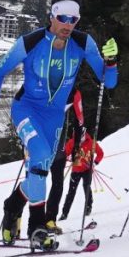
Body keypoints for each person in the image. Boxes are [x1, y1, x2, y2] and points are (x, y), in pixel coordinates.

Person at [0, 0, 117, 251]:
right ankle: (37, 228)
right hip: (26, 109)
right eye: (62, 18)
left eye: (73, 20)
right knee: (40, 157)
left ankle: (13, 206)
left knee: (40, 169)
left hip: (54, 117)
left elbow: (108, 81)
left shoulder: (83, 43)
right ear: (51, 17)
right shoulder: (30, 42)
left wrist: (111, 61)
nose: (67, 24)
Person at [45, 92, 85, 234]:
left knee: (58, 184)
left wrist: (76, 147)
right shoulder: (44, 82)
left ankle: (49, 220)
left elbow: (79, 121)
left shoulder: (73, 92)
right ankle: (14, 220)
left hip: (58, 144)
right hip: (38, 139)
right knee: (33, 182)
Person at [60, 130, 104, 220]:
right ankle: (64, 213)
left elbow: (100, 153)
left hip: (87, 169)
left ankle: (88, 207)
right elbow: (64, 155)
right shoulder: (72, 142)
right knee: (71, 192)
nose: (80, 139)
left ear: (84, 135)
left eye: (81, 136)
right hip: (76, 169)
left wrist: (95, 163)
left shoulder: (91, 142)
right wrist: (67, 158)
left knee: (86, 187)